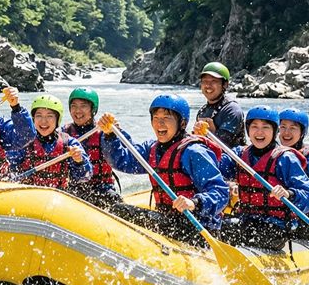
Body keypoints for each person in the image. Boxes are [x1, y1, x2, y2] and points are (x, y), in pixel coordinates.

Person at [96, 94, 229, 248]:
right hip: (168, 221)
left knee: (120, 210)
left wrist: (194, 202)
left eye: (166, 118)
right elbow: (123, 161)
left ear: (182, 123)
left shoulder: (194, 152)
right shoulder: (151, 149)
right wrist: (110, 135)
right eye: (156, 117)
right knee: (115, 207)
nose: (159, 123)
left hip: (196, 227)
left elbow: (221, 193)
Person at [202, 106, 309, 250]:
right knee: (216, 228)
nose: (259, 132)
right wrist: (201, 140)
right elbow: (210, 166)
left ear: (275, 131)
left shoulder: (286, 158)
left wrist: (288, 193)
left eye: (266, 127)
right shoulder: (239, 154)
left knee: (254, 237)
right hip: (246, 220)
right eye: (254, 126)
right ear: (248, 130)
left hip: (275, 225)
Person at [15, 94, 92, 190]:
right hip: (27, 195)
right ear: (33, 118)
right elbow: (10, 170)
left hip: (57, 197)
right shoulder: (24, 142)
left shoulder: (69, 143)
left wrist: (79, 161)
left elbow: (85, 177)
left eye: (50, 116)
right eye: (39, 115)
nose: (44, 121)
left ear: (57, 120)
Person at [62, 87, 122, 207]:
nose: (77, 111)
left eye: (83, 106)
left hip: (102, 188)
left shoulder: (105, 131)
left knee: (113, 201)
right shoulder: (64, 133)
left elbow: (120, 154)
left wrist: (114, 134)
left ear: (93, 109)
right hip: (74, 188)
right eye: (74, 106)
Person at [195, 62, 245, 148]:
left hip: (231, 159)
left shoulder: (232, 109)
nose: (208, 85)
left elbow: (224, 145)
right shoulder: (202, 111)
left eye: (213, 81)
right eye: (205, 81)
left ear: (225, 85)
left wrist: (210, 133)